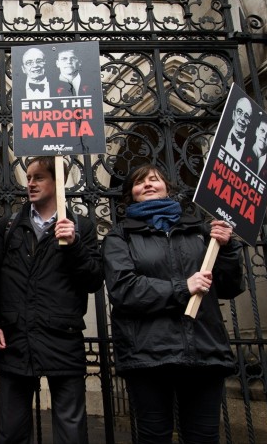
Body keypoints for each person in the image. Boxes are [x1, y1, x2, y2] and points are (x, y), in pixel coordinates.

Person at [101, 163, 244, 444]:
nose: (148, 185)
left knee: (203, 437)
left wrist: (227, 249)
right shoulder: (120, 237)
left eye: (154, 180)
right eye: (140, 183)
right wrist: (182, 287)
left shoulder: (199, 231)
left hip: (203, 351)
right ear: (131, 194)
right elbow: (123, 289)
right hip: (148, 355)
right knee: (154, 436)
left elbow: (229, 286)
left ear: (168, 187)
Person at [0, 156, 103, 444]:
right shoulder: (8, 226)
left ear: (57, 180)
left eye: (39, 177)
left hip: (62, 338)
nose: (30, 184)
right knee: (11, 430)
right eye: (29, 177)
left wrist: (75, 246)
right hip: (15, 339)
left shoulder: (81, 227)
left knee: (71, 430)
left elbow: (94, 280)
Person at [223, 96, 253, 160]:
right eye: (239, 112)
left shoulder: (251, 151)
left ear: (249, 121)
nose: (242, 118)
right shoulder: (221, 134)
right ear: (233, 114)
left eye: (246, 116)